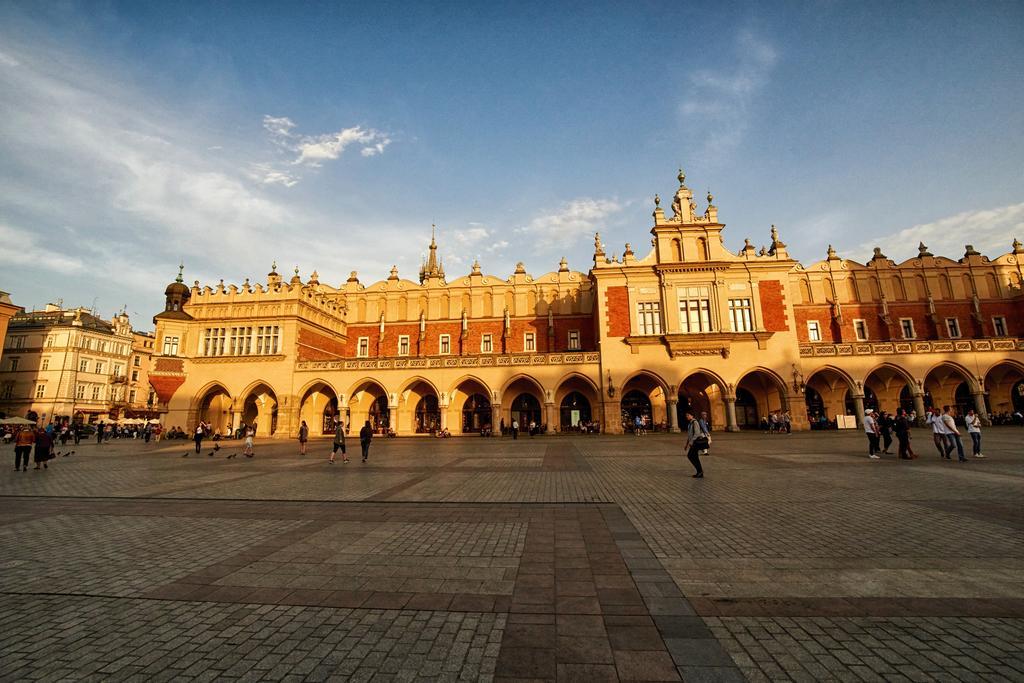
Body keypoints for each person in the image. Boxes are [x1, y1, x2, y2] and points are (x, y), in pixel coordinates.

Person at [683, 410, 708, 478]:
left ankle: (700, 471)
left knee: (690, 456)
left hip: (695, 443)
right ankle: (699, 472)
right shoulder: (690, 424)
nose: (687, 416)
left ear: (692, 415)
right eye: (686, 415)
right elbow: (690, 435)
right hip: (693, 443)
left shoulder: (695, 422)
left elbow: (697, 433)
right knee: (694, 457)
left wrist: (691, 442)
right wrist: (686, 444)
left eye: (688, 415)